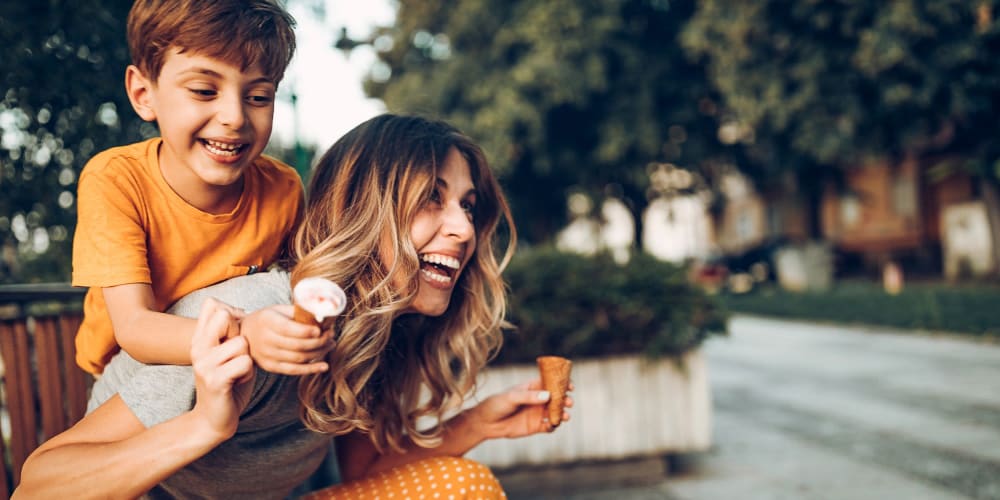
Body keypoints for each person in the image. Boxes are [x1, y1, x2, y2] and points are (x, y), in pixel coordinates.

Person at [14, 114, 571, 499]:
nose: (463, 228)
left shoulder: (371, 331)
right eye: (432, 198)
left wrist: (475, 424)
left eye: (469, 206)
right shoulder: (249, 320)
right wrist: (205, 425)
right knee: (462, 489)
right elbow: (39, 486)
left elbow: (360, 472)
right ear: (363, 210)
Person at [71, 0, 330, 377]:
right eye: (204, 90)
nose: (235, 117)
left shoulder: (283, 189)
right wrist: (246, 333)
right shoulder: (115, 179)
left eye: (258, 97)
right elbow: (135, 328)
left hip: (221, 366)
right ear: (144, 94)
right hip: (127, 373)